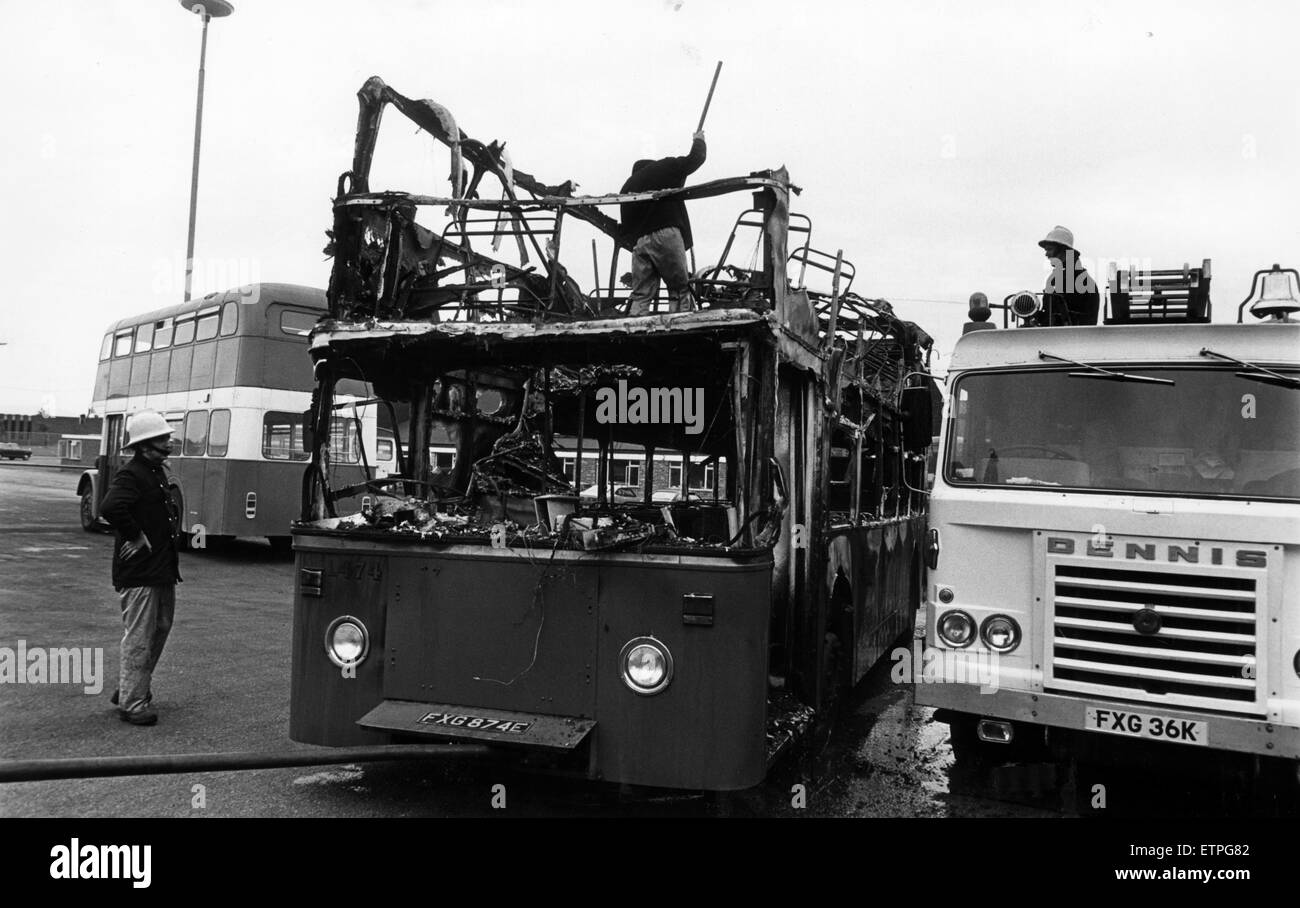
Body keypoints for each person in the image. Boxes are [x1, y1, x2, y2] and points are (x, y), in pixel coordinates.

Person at [100, 411, 182, 726]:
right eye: (162, 438)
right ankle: (133, 704)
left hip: (159, 569)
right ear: (146, 444)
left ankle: (129, 688)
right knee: (140, 636)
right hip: (140, 572)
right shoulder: (132, 474)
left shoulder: (155, 471)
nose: (169, 442)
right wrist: (135, 534)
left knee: (160, 628)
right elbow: (110, 506)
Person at [619, 131, 707, 315]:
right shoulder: (665, 167)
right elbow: (695, 159)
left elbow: (625, 227)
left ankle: (635, 330)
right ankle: (681, 329)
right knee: (679, 289)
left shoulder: (627, 186)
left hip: (640, 243)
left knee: (641, 294)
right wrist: (699, 140)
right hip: (666, 233)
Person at [1032, 225, 1099, 326]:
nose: (1046, 254)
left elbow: (1068, 321)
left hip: (1071, 339)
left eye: (1049, 249)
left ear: (1063, 250)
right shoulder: (1056, 279)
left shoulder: (1083, 283)